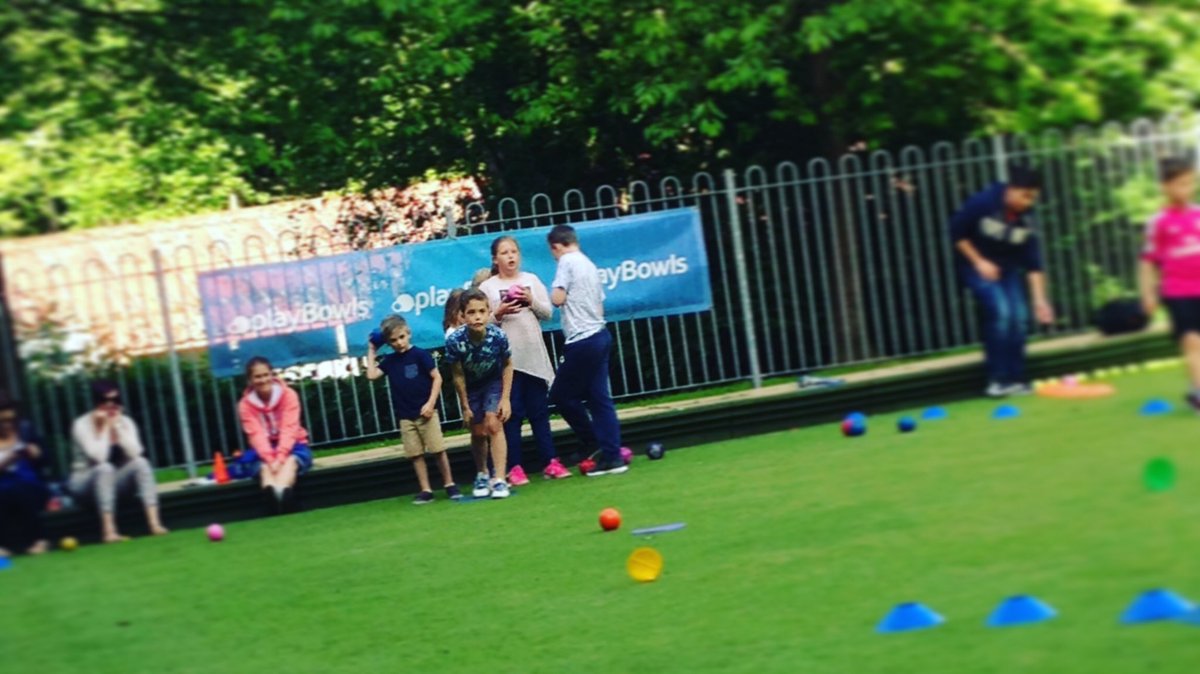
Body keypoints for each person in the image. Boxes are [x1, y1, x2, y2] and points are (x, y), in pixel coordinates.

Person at [949, 165, 1055, 397]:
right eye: (1025, 195)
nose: (1028, 202)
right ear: (1011, 190)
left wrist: (1040, 301)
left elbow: (1033, 264)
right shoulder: (983, 203)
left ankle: (1016, 378)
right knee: (1001, 312)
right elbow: (957, 233)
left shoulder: (1027, 219)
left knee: (1019, 317)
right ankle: (997, 380)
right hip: (975, 266)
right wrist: (979, 262)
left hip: (1007, 270)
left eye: (1033, 197)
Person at [479, 236, 571, 484]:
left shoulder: (530, 280)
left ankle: (551, 461)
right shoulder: (487, 287)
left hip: (533, 358)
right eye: (504, 253)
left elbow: (548, 314)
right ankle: (514, 467)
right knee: (513, 414)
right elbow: (480, 324)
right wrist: (497, 313)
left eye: (513, 252)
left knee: (540, 413)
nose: (510, 257)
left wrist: (531, 301)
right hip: (507, 364)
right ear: (495, 259)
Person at [546, 225, 627, 476]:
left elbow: (557, 299)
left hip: (581, 339)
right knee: (599, 398)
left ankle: (591, 440)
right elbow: (600, 307)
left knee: (561, 395)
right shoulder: (589, 264)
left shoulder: (567, 262)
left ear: (557, 246)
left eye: (553, 252)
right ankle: (612, 455)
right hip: (600, 334)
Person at [367, 315, 462, 504]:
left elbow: (437, 378)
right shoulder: (390, 360)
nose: (399, 343)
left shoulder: (420, 355)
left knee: (438, 450)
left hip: (426, 412)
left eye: (401, 337)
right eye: (393, 340)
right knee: (415, 454)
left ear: (408, 333)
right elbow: (371, 375)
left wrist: (430, 403)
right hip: (406, 415)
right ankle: (425, 489)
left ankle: (449, 483)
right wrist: (371, 350)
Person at [69, 380, 169, 542]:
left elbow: (135, 452)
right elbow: (98, 457)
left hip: (116, 482)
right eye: (105, 401)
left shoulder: (125, 422)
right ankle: (109, 531)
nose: (111, 406)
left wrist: (118, 428)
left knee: (142, 463)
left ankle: (154, 524)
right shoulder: (81, 424)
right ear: (96, 403)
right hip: (84, 484)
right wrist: (105, 428)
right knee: (105, 468)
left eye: (116, 401)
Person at [1139, 157, 1200, 413]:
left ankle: (1193, 388)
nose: (1185, 190)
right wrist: (1147, 294)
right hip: (1177, 292)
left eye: (1189, 183)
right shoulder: (1159, 222)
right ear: (1165, 186)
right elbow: (1147, 261)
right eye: (1179, 184)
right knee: (1191, 341)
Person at [444, 289, 513, 499]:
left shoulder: (498, 336)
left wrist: (505, 399)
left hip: (492, 381)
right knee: (478, 432)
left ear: (488, 312)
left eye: (482, 311)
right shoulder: (455, 341)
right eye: (471, 312)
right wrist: (464, 405)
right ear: (463, 315)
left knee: (493, 424)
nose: (477, 317)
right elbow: (457, 375)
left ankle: (499, 479)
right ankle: (482, 473)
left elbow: (508, 365)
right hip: (471, 385)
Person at [238, 357, 315, 513]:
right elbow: (256, 435)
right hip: (264, 451)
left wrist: (279, 458)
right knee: (264, 467)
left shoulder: (288, 395)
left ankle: (281, 493)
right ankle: (272, 493)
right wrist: (270, 458)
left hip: (294, 444)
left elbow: (289, 428)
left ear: (272, 375)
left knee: (291, 461)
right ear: (250, 380)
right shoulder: (245, 405)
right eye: (258, 377)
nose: (263, 380)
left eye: (266, 375)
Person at [0, 394, 49, 557]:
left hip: (29, 484)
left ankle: (39, 540)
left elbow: (46, 460)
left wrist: (37, 454)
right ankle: (3, 546)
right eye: (2, 421)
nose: (7, 425)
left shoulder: (26, 430)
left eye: (10, 420)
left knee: (22, 489)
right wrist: (5, 462)